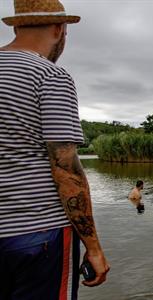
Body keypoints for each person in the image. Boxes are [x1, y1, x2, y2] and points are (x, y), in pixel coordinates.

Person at [0, 0, 109, 299]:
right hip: (39, 236)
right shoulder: (49, 76)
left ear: (17, 25)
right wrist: (94, 247)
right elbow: (66, 169)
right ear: (60, 29)